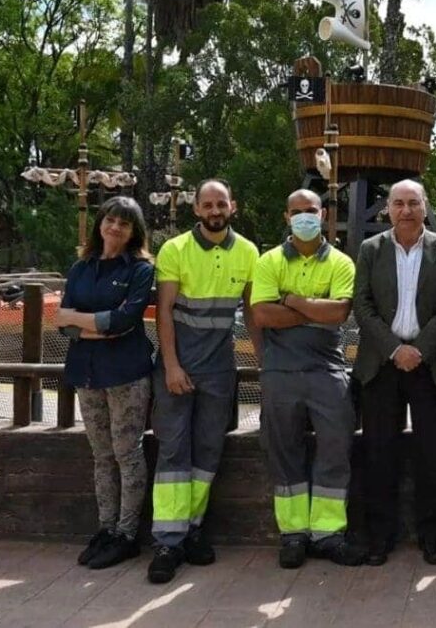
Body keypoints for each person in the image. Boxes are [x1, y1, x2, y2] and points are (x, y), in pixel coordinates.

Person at [146, 179, 260, 584]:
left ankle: (192, 529)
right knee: (173, 450)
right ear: (196, 208)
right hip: (179, 365)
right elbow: (163, 312)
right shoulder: (175, 249)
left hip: (220, 368)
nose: (214, 210)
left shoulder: (248, 252)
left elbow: (252, 313)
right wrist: (172, 366)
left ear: (233, 207)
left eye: (221, 204)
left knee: (209, 451)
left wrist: (264, 362)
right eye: (207, 204)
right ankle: (166, 541)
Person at [251, 189, 365, 569]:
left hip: (327, 371)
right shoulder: (268, 261)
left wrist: (293, 301)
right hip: (280, 371)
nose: (304, 216)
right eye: (297, 211)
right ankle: (294, 534)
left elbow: (339, 314)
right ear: (287, 217)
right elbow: (262, 315)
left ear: (323, 215)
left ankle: (328, 533)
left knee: (336, 447)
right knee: (283, 452)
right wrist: (316, 309)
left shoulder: (342, 262)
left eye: (311, 210)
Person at [352, 180, 436, 566]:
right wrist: (395, 349)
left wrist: (418, 350)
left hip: (428, 366)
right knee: (380, 454)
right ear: (388, 209)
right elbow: (362, 305)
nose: (406, 210)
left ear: (425, 206)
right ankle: (380, 537)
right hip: (381, 366)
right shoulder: (370, 250)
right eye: (398, 203)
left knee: (432, 456)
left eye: (413, 203)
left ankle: (433, 536)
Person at [55, 197, 155, 570]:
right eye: (110, 220)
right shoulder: (81, 268)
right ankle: (106, 528)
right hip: (87, 372)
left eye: (124, 224)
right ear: (100, 223)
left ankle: (126, 535)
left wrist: (81, 322)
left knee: (128, 453)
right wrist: (98, 326)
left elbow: (125, 321)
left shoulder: (140, 270)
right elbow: (62, 324)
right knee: (101, 455)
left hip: (126, 373)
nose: (115, 228)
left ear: (134, 232)